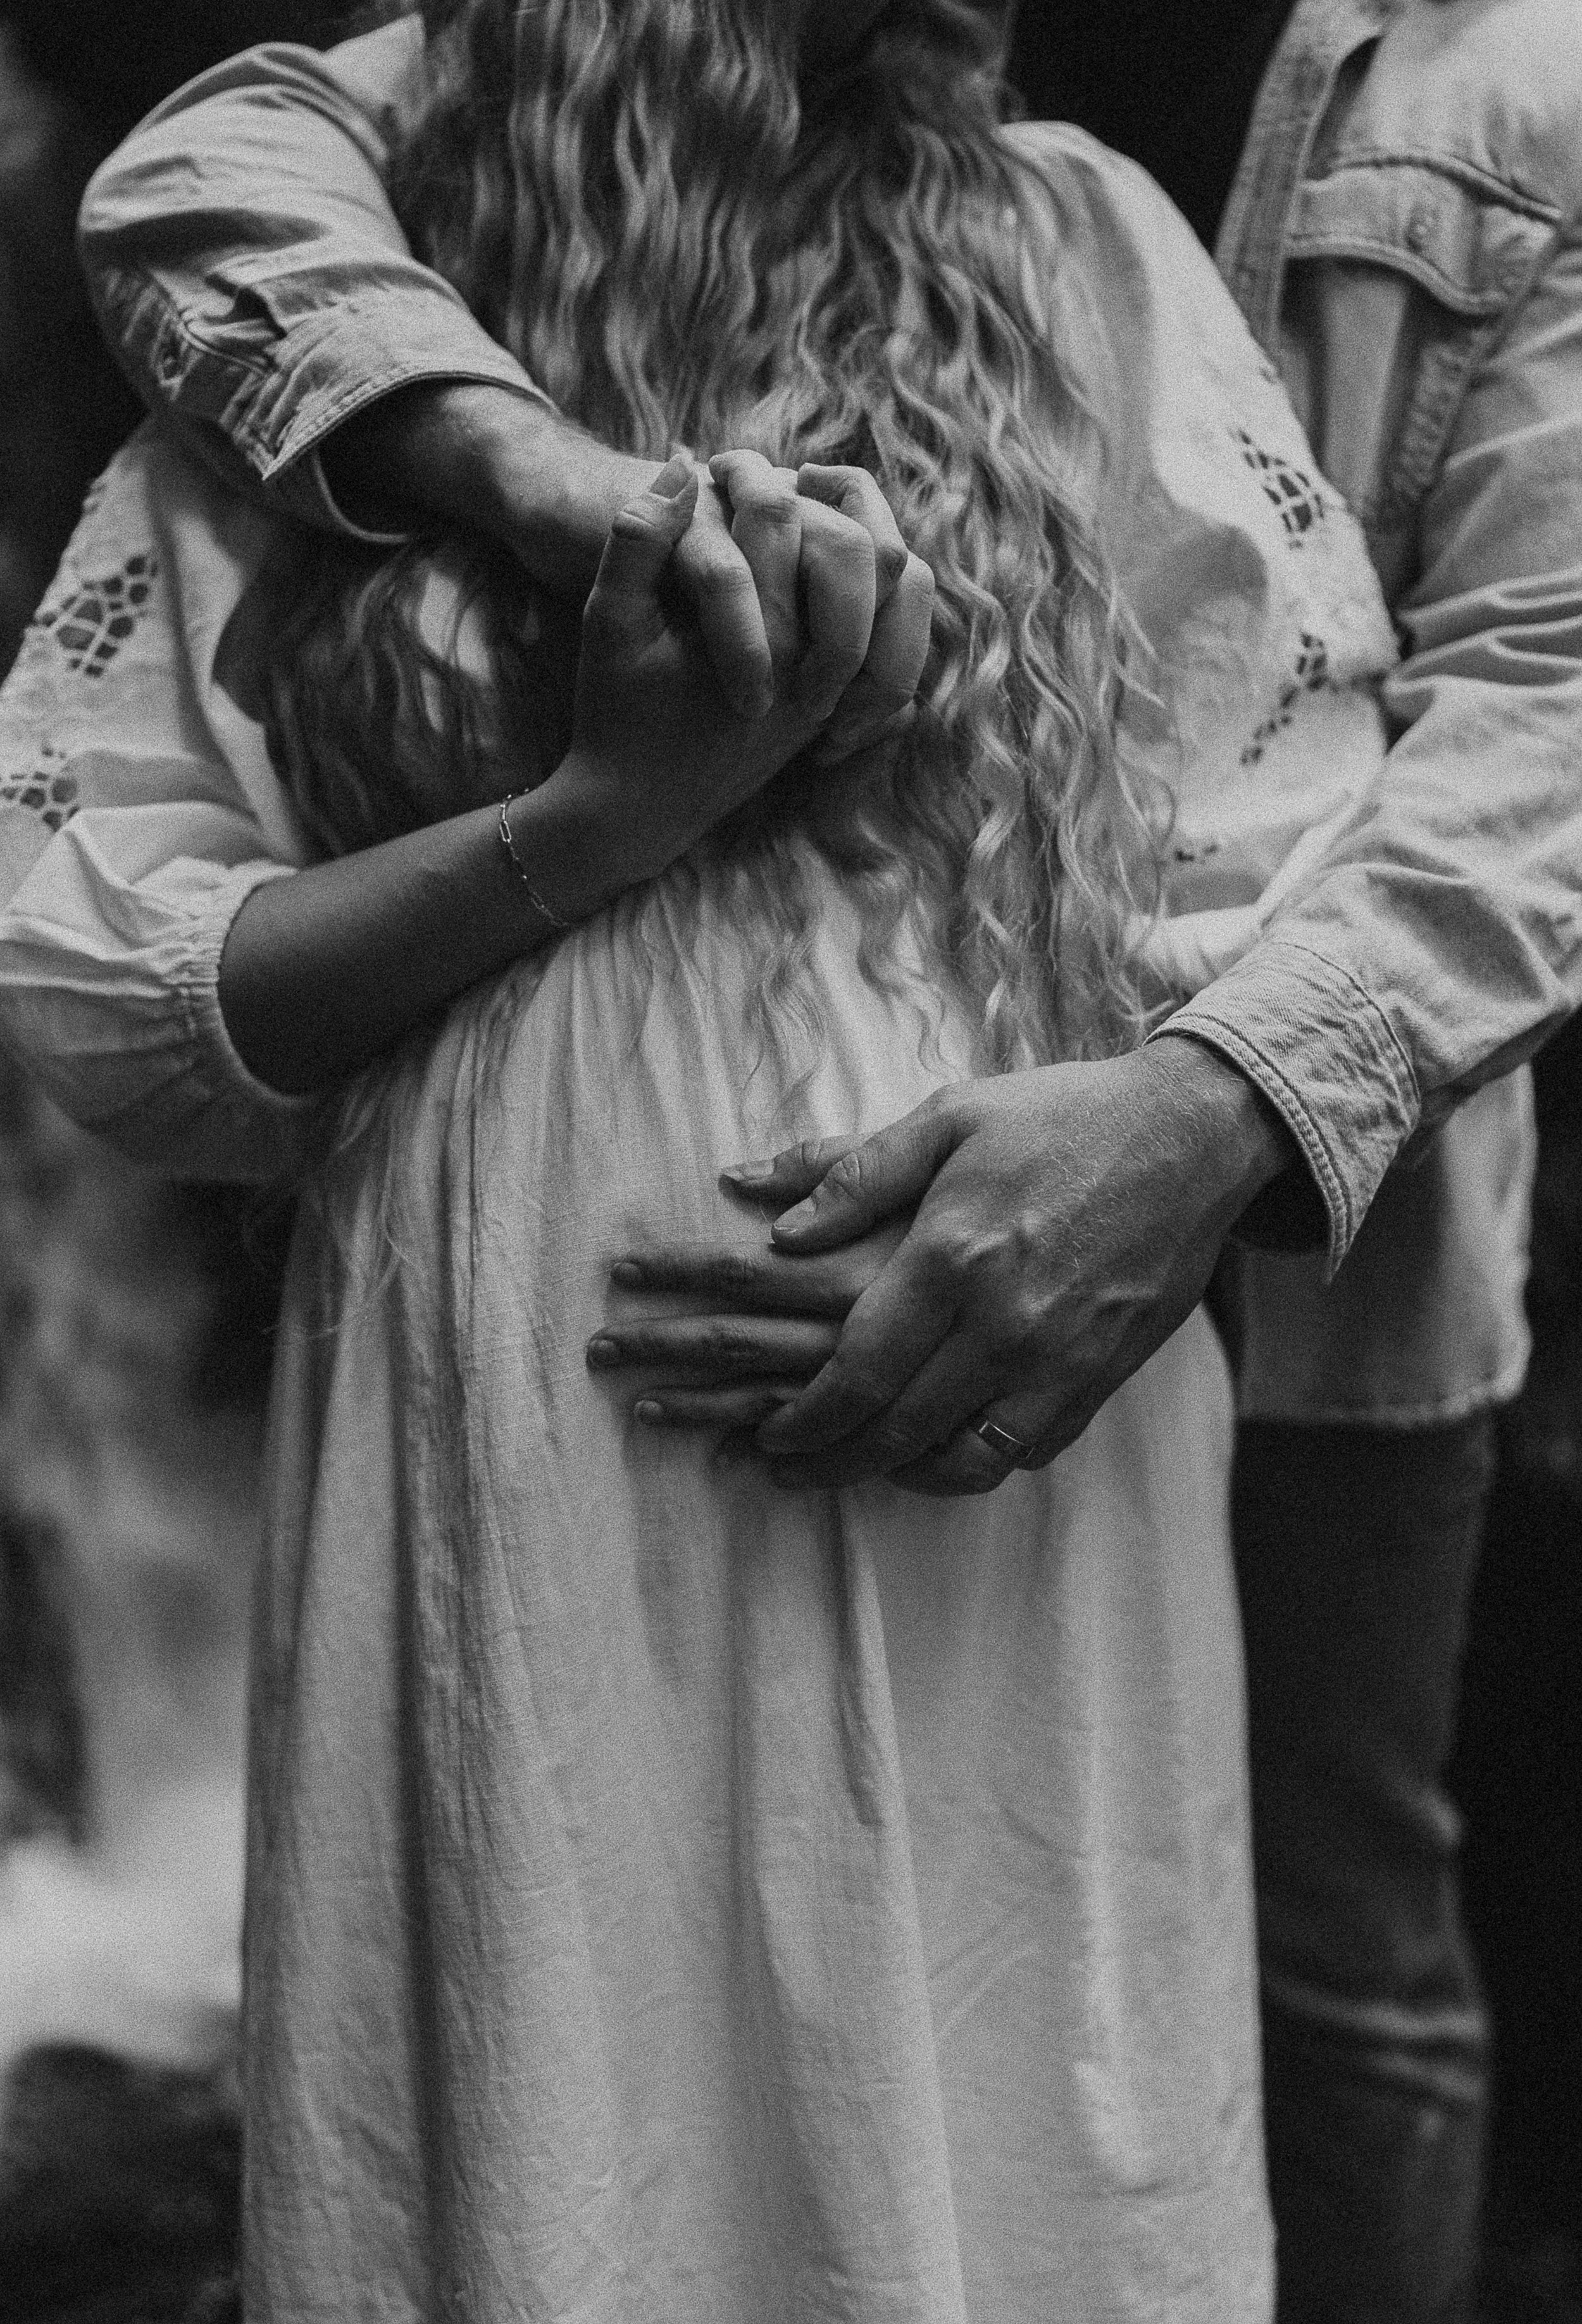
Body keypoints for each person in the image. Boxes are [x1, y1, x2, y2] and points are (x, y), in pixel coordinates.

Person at [69, 13, 1582, 2313]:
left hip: (1068, 1345)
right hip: (511, 1422)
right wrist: (591, 777)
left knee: (1143, 2045)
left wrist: (1181, 1131)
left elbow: (1360, 772)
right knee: (558, 2128)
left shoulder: (1119, 210)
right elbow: (93, 965)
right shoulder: (375, 229)